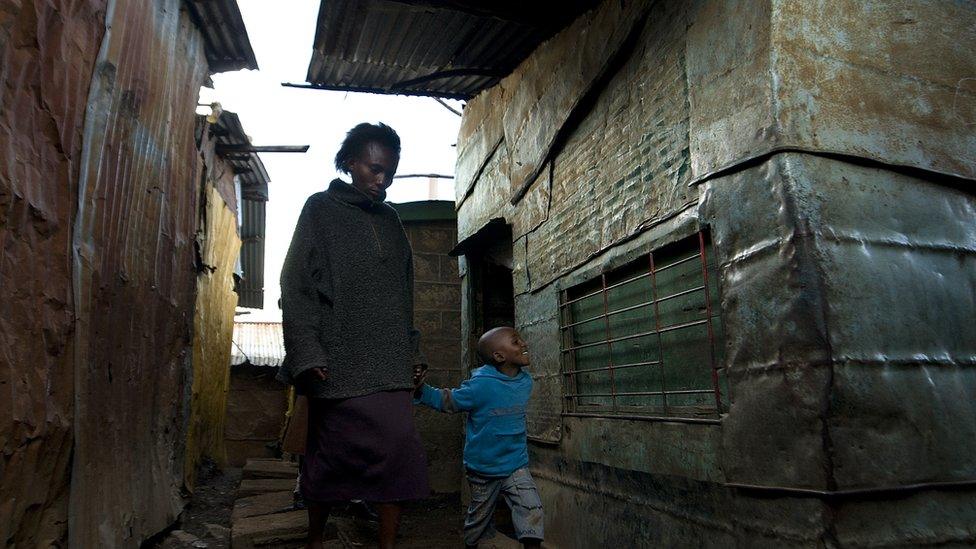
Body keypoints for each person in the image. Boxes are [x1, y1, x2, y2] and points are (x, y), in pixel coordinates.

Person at [277, 122, 429, 549]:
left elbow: (404, 293)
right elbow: (296, 284)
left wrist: (412, 351)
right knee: (327, 462)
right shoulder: (319, 210)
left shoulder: (392, 220)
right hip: (336, 362)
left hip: (389, 362)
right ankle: (314, 540)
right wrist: (307, 351)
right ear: (349, 163)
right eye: (374, 169)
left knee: (398, 456)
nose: (382, 180)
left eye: (390, 172)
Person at [413, 327, 544, 549]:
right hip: (483, 468)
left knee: (531, 510)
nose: (524, 344)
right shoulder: (480, 386)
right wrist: (420, 390)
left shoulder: (525, 382)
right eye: (516, 342)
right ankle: (472, 543)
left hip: (515, 464)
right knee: (480, 519)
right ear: (499, 356)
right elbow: (449, 401)